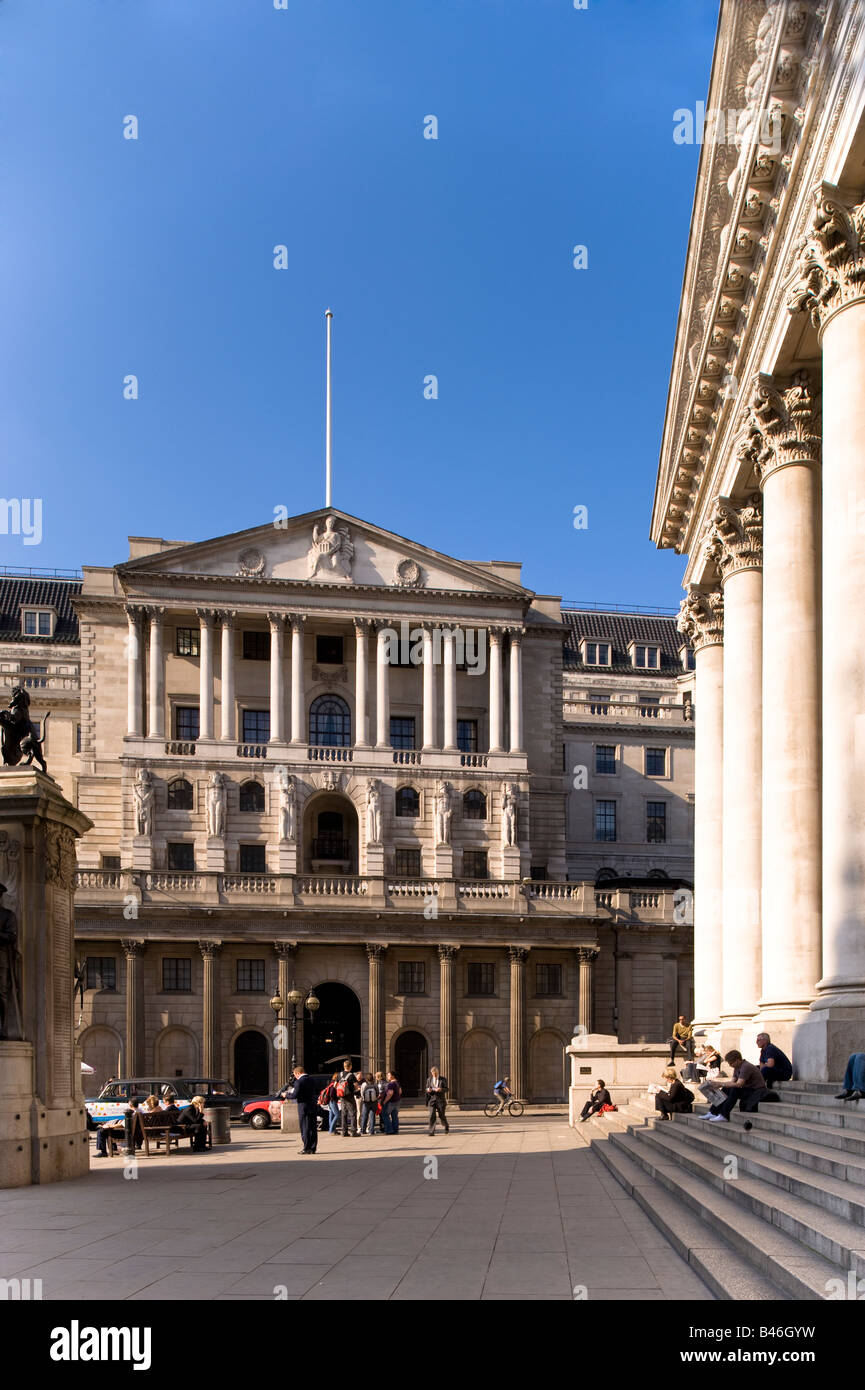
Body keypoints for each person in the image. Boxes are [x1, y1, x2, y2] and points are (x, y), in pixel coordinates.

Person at [704, 1051, 768, 1121]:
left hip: (756, 1091)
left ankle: (724, 1115)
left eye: (731, 1063)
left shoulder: (746, 1066)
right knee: (726, 1088)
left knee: (735, 1089)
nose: (730, 1065)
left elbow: (739, 1084)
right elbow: (732, 1082)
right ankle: (713, 1112)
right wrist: (718, 1083)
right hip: (748, 1089)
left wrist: (720, 1084)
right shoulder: (737, 1067)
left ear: (737, 1060)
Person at [288, 1065, 319, 1154]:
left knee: (305, 1128)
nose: (295, 1076)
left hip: (304, 1108)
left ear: (298, 1073)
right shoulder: (312, 1080)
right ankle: (313, 1148)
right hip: (312, 1106)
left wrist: (285, 1095)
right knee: (313, 1128)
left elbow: (294, 1095)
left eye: (295, 1075)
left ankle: (306, 1148)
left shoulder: (299, 1082)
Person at [425, 1066, 450, 1135]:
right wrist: (428, 1090)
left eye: (435, 1074)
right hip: (432, 1100)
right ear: (431, 1073)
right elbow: (426, 1088)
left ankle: (446, 1125)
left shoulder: (443, 1079)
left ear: (437, 1072)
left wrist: (441, 1089)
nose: (434, 1075)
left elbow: (447, 1089)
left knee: (441, 1115)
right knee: (432, 1115)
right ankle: (431, 1131)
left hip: (440, 1100)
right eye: (433, 1074)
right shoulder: (429, 1079)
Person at [337, 1059, 358, 1136]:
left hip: (342, 1096)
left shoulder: (339, 1074)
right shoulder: (351, 1075)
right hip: (349, 1096)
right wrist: (356, 1090)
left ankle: (344, 1131)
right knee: (353, 1113)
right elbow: (356, 1085)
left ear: (344, 1066)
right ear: (350, 1067)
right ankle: (353, 1131)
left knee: (344, 1113)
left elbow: (335, 1085)